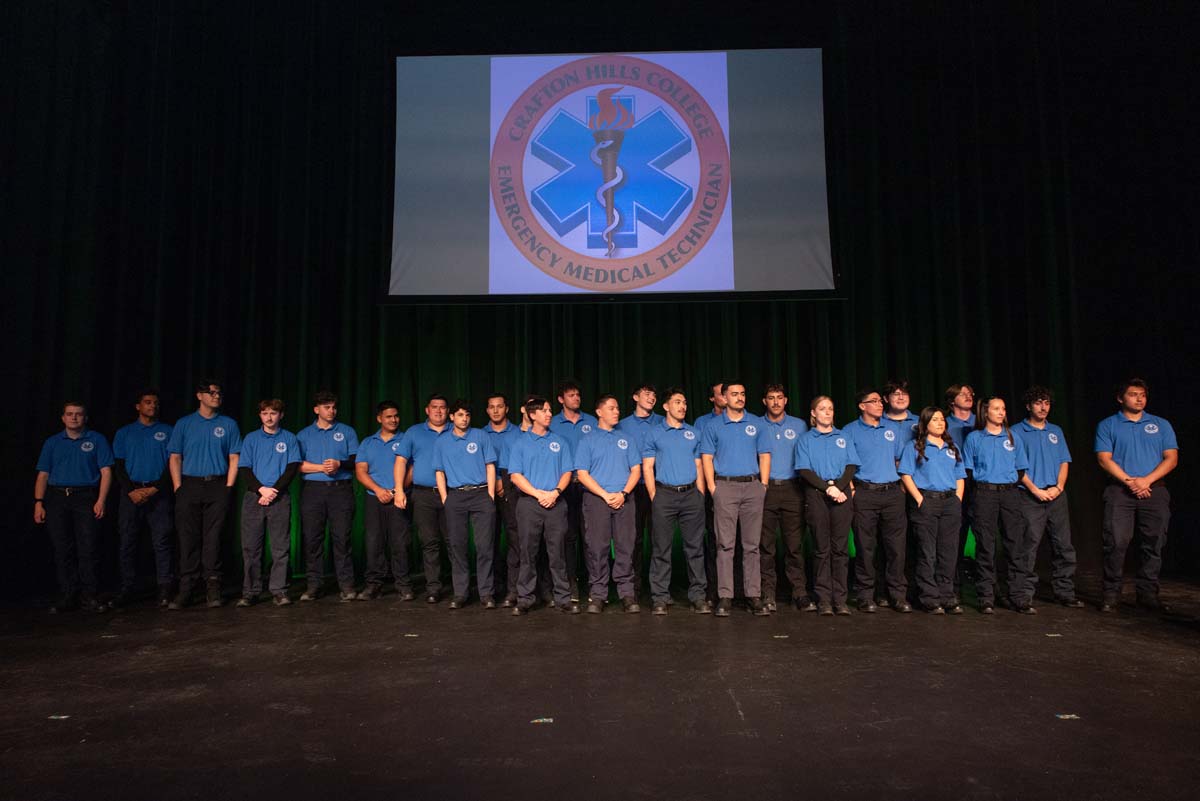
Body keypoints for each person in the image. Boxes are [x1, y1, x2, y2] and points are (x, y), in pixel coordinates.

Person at [1094, 378, 1179, 613]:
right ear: (1120, 398)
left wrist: (1146, 481)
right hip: (1120, 491)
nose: (1139, 399)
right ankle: (1111, 594)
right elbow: (1104, 459)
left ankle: (1147, 594)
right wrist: (1131, 482)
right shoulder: (1108, 425)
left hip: (1154, 490)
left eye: (1142, 395)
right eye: (1133, 394)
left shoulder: (1160, 424)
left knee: (1154, 542)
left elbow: (1171, 458)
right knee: (1116, 542)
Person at [700, 379, 771, 617]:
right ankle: (725, 596)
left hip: (752, 487)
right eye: (734, 394)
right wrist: (713, 487)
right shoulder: (713, 426)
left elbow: (765, 455)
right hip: (725, 486)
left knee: (752, 545)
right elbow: (707, 458)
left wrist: (763, 484)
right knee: (724, 545)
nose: (740, 397)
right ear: (724, 397)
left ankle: (753, 595)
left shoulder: (757, 423)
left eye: (742, 393)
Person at [167, 379, 241, 609]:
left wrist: (228, 487)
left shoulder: (228, 424)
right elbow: (175, 456)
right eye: (211, 392)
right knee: (188, 537)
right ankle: (187, 587)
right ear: (199, 396)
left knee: (213, 538)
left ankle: (213, 585)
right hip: (189, 485)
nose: (216, 396)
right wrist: (178, 487)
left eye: (219, 392)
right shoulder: (184, 423)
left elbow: (234, 457)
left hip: (217, 485)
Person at [34, 401, 113, 613]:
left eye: (78, 414)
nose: (74, 417)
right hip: (57, 498)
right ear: (63, 418)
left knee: (88, 547)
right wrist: (38, 502)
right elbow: (43, 474)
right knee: (62, 549)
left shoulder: (96, 439)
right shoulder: (52, 442)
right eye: (69, 414)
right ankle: (68, 595)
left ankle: (89, 596)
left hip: (85, 497)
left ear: (85, 418)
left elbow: (106, 472)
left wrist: (101, 500)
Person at [1011, 386, 1082, 609]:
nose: (1043, 407)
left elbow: (1064, 461)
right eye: (1038, 403)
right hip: (1029, 496)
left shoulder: (1056, 431)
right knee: (1028, 546)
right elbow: (1016, 467)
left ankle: (1064, 592)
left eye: (1047, 403)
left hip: (1056, 495)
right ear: (1028, 406)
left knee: (1064, 545)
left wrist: (1059, 487)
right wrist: (1035, 490)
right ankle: (1024, 595)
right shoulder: (1016, 431)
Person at [508, 397, 579, 615]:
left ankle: (563, 597)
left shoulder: (559, 441)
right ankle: (525, 598)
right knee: (527, 553)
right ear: (532, 415)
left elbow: (567, 472)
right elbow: (515, 475)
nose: (549, 414)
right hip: (529, 504)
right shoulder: (520, 443)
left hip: (555, 503)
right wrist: (538, 494)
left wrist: (555, 492)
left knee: (557, 553)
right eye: (544, 411)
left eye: (549, 410)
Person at [642, 387, 709, 614]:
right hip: (665, 495)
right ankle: (660, 597)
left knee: (695, 548)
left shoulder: (693, 433)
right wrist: (654, 495)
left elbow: (699, 465)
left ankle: (698, 595)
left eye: (685, 403)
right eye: (678, 402)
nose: (683, 406)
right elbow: (648, 467)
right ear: (666, 406)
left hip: (691, 495)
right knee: (661, 548)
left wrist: (700, 493)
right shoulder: (654, 433)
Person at [844, 388, 911, 613]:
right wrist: (853, 490)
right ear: (862, 406)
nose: (880, 404)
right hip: (865, 493)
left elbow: (900, 459)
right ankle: (865, 595)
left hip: (892, 493)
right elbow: (846, 464)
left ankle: (897, 595)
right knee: (865, 547)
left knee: (896, 548)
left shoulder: (891, 428)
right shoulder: (850, 431)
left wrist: (901, 487)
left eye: (880, 401)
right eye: (873, 401)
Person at [963, 396, 1030, 614]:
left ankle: (1017, 596)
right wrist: (982, 489)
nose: (1001, 412)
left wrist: (1006, 484)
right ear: (986, 412)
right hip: (984, 494)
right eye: (996, 408)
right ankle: (986, 596)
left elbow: (1021, 469)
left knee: (1014, 544)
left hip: (1009, 494)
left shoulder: (1013, 437)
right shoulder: (974, 438)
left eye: (1003, 408)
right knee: (985, 545)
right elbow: (968, 471)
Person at [576, 395, 642, 613]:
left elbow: (636, 470)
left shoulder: (626, 439)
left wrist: (623, 493)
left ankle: (626, 593)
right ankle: (598, 594)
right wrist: (605, 495)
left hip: (624, 499)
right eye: (612, 408)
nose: (616, 412)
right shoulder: (587, 440)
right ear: (599, 412)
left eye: (618, 408)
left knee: (626, 546)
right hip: (597, 500)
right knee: (597, 547)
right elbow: (582, 474)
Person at [794, 396, 859, 616]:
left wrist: (838, 488)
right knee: (822, 549)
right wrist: (827, 488)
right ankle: (823, 599)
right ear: (813, 413)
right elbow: (804, 470)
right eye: (822, 409)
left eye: (830, 408)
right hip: (816, 494)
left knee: (840, 549)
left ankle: (840, 599)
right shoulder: (805, 439)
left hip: (841, 494)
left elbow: (851, 466)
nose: (827, 412)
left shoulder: (843, 437)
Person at [899, 407, 967, 614]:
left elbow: (960, 475)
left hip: (950, 502)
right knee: (927, 552)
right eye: (935, 419)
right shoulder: (914, 446)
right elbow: (906, 474)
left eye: (942, 420)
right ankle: (930, 598)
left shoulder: (951, 447)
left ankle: (947, 596)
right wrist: (919, 499)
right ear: (925, 423)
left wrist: (957, 499)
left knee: (948, 552)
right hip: (927, 501)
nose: (940, 423)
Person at [111, 390, 174, 608]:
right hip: (131, 493)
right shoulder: (125, 432)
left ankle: (164, 587)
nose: (152, 406)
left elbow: (172, 464)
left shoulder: (168, 431)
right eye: (147, 402)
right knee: (127, 540)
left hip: (158, 493)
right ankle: (127, 587)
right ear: (138, 406)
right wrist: (131, 491)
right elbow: (118, 466)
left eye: (156, 403)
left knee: (162, 541)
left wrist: (155, 488)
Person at [434, 400, 498, 609]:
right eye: (460, 415)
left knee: (484, 546)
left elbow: (490, 465)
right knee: (457, 546)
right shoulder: (442, 441)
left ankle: (486, 593)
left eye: (467, 415)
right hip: (456, 496)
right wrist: (445, 498)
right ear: (452, 417)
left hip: (481, 494)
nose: (464, 419)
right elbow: (439, 471)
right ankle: (460, 593)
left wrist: (490, 494)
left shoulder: (481, 436)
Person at [236, 399, 300, 607]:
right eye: (265, 413)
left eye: (273, 413)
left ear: (281, 415)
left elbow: (291, 468)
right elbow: (245, 468)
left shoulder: (289, 438)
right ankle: (250, 591)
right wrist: (261, 489)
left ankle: (279, 590)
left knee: (280, 547)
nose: (269, 417)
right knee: (251, 548)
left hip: (279, 498)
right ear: (260, 415)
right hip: (254, 497)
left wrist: (274, 491)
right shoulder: (251, 438)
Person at [296, 390, 359, 602]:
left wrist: (339, 464)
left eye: (333, 407)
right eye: (326, 407)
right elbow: (298, 465)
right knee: (312, 539)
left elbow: (356, 462)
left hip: (340, 490)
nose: (331, 411)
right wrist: (322, 467)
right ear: (316, 409)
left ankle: (347, 585)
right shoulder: (304, 435)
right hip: (313, 491)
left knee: (342, 538)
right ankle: (314, 585)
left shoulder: (347, 431)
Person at [355, 400, 414, 602]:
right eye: (389, 416)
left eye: (396, 416)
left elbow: (411, 469)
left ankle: (403, 585)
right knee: (374, 543)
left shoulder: (406, 439)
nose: (394, 420)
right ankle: (374, 585)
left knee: (400, 543)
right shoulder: (367, 442)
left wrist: (397, 490)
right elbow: (360, 471)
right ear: (379, 418)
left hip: (399, 497)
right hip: (375, 499)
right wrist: (378, 490)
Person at [758, 383, 809, 612]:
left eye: (780, 397)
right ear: (764, 401)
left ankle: (799, 592)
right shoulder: (756, 425)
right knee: (765, 545)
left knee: (794, 545)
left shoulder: (799, 425)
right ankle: (767, 593)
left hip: (792, 489)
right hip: (766, 489)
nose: (776, 402)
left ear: (786, 400)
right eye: (771, 398)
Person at [395, 394, 450, 603]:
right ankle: (434, 588)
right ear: (427, 410)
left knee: (454, 541)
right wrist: (399, 490)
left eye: (442, 407)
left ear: (448, 411)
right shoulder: (414, 432)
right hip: (423, 494)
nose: (438, 411)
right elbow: (401, 461)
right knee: (429, 542)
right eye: (434, 407)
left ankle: (460, 587)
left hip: (452, 494)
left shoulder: (457, 430)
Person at [550, 379, 598, 601]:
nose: (576, 398)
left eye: (578, 394)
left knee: (590, 537)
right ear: (561, 399)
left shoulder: (592, 421)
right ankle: (571, 585)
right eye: (571, 395)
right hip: (565, 488)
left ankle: (594, 586)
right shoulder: (553, 423)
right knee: (568, 537)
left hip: (588, 487)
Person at [617, 382, 662, 596]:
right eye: (647, 394)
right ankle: (632, 586)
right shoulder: (622, 425)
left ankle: (658, 587)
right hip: (633, 488)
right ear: (635, 397)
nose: (651, 398)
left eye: (654, 395)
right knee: (632, 538)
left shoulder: (662, 422)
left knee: (658, 537)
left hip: (658, 486)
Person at [481, 393, 524, 606]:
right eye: (492, 407)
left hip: (512, 492)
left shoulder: (518, 433)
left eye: (500, 406)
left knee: (515, 540)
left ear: (506, 408)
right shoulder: (480, 434)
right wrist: (496, 481)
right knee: (489, 541)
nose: (496, 410)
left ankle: (513, 589)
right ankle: (493, 588)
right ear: (487, 410)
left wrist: (504, 482)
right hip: (486, 492)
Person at [695, 379, 727, 603]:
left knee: (738, 539)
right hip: (711, 483)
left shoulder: (744, 421)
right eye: (721, 393)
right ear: (712, 398)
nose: (726, 396)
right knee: (714, 538)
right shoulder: (702, 422)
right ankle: (713, 589)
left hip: (735, 484)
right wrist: (707, 488)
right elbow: (699, 455)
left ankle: (738, 589)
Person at [944, 382, 977, 599]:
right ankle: (952, 587)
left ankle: (989, 588)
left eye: (970, 393)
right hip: (955, 483)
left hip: (979, 483)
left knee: (986, 538)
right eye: (962, 394)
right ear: (951, 401)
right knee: (955, 536)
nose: (968, 396)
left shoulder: (981, 422)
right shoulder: (944, 424)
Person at [882, 379, 919, 448]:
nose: (901, 397)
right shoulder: (878, 423)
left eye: (904, 394)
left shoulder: (920, 421)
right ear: (886, 399)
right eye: (896, 394)